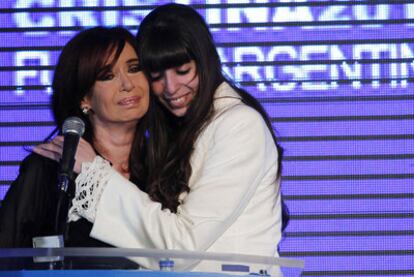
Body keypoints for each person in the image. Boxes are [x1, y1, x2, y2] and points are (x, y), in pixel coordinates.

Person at [35, 3, 287, 276]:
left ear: (205, 61)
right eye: (156, 75)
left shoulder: (238, 124)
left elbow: (182, 248)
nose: (170, 88)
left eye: (182, 70)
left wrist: (95, 174)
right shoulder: (177, 130)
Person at [0, 26, 150, 269]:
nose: (127, 84)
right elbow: (6, 254)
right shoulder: (51, 168)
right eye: (107, 76)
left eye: (134, 69)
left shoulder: (168, 166)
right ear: (84, 98)